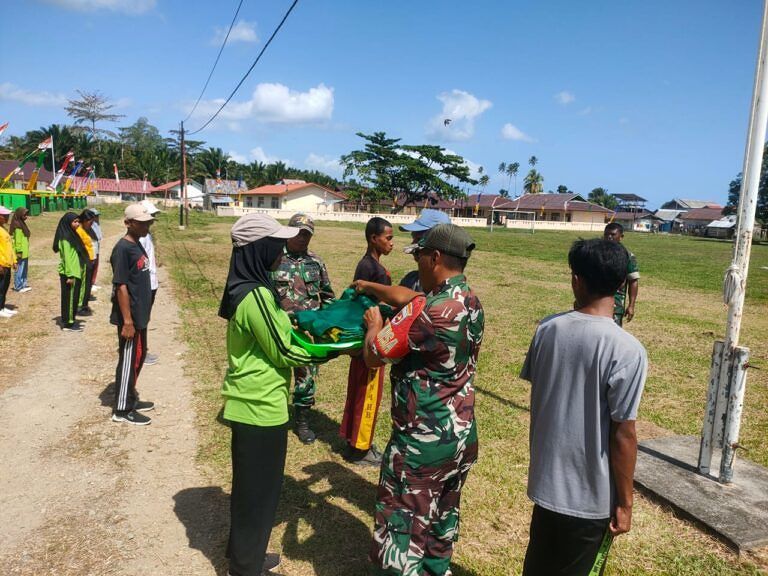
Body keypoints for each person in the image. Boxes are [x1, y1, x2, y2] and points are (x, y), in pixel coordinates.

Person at [355, 223, 484, 575]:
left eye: (421, 256)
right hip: (460, 436)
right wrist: (371, 286)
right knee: (441, 522)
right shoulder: (469, 300)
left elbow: (374, 355)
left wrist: (373, 324)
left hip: (422, 443)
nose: (418, 265)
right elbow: (408, 297)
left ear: (435, 257)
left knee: (403, 526)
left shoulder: (431, 314)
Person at [218, 213, 338, 576]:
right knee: (258, 496)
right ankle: (246, 568)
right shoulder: (255, 295)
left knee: (250, 491)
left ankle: (244, 556)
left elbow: (282, 331)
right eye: (275, 242)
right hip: (259, 408)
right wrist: (336, 350)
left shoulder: (250, 286)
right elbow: (283, 351)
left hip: (253, 404)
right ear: (259, 248)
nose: (282, 247)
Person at [520, 238, 647, 576]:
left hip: (546, 484)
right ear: (622, 285)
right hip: (591, 498)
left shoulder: (547, 329)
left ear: (575, 279)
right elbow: (624, 434)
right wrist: (625, 502)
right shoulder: (627, 349)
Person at [272, 213, 335, 445]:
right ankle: (274, 416)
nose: (303, 238)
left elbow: (328, 296)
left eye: (307, 234)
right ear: (289, 232)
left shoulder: (316, 262)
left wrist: (325, 326)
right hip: (279, 329)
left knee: (305, 378)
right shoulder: (275, 259)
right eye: (299, 233)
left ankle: (302, 421)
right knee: (275, 374)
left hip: (306, 334)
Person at [340, 216, 393, 466]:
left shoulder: (367, 266)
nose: (392, 243)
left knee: (358, 389)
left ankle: (352, 443)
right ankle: (362, 449)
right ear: (374, 239)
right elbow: (367, 304)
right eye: (388, 238)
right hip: (371, 339)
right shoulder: (372, 269)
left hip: (365, 338)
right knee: (368, 393)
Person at [110, 204, 156, 425]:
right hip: (130, 318)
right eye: (142, 222)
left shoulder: (138, 244)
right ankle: (122, 409)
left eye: (148, 221)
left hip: (140, 315)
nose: (147, 225)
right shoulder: (122, 249)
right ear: (128, 223)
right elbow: (121, 286)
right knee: (128, 360)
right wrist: (127, 320)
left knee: (139, 356)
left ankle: (130, 396)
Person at [398, 209, 451, 291]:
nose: (413, 244)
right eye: (413, 238)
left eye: (419, 239)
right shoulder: (411, 280)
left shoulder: (450, 292)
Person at [53, 212, 88, 331]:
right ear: (68, 223)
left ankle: (70, 320)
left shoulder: (71, 235)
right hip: (70, 273)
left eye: (78, 221)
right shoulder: (65, 238)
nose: (77, 224)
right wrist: (70, 275)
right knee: (70, 299)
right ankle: (68, 324)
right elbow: (67, 258)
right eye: (75, 222)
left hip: (74, 271)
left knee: (72, 298)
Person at [139, 199, 162, 366]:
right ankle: (140, 353)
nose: (153, 220)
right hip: (145, 284)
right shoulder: (141, 237)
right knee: (141, 320)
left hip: (151, 283)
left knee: (145, 319)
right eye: (151, 216)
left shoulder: (147, 234)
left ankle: (143, 350)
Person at [604, 222, 639, 326]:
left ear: (621, 236)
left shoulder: (627, 256)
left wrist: (631, 305)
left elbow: (633, 281)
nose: (609, 237)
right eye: (606, 234)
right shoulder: (596, 253)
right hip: (594, 302)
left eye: (613, 234)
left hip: (616, 305)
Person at [76, 209, 97, 315]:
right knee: (83, 284)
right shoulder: (79, 231)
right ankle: (80, 306)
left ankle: (84, 304)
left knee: (87, 284)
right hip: (83, 261)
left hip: (89, 260)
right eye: (90, 222)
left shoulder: (86, 230)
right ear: (84, 220)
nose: (92, 225)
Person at [0, 206, 17, 319]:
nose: (7, 217)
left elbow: (9, 247)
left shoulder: (3, 229)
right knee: (0, 288)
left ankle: (2, 306)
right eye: (5, 216)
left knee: (4, 287)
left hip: (7, 264)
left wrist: (14, 260)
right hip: (1, 265)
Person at [10, 207, 32, 293]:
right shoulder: (18, 225)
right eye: (24, 215)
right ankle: (18, 286)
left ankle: (23, 284)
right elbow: (18, 241)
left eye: (27, 214)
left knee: (24, 269)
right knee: (19, 269)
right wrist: (18, 252)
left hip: (25, 252)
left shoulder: (21, 223)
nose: (26, 216)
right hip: (21, 252)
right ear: (19, 214)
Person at [90, 209, 104, 291]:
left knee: (96, 265)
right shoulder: (91, 225)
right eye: (96, 216)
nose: (97, 217)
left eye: (98, 216)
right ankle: (90, 283)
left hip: (97, 247)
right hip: (92, 248)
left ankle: (93, 282)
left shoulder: (97, 224)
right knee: (92, 265)